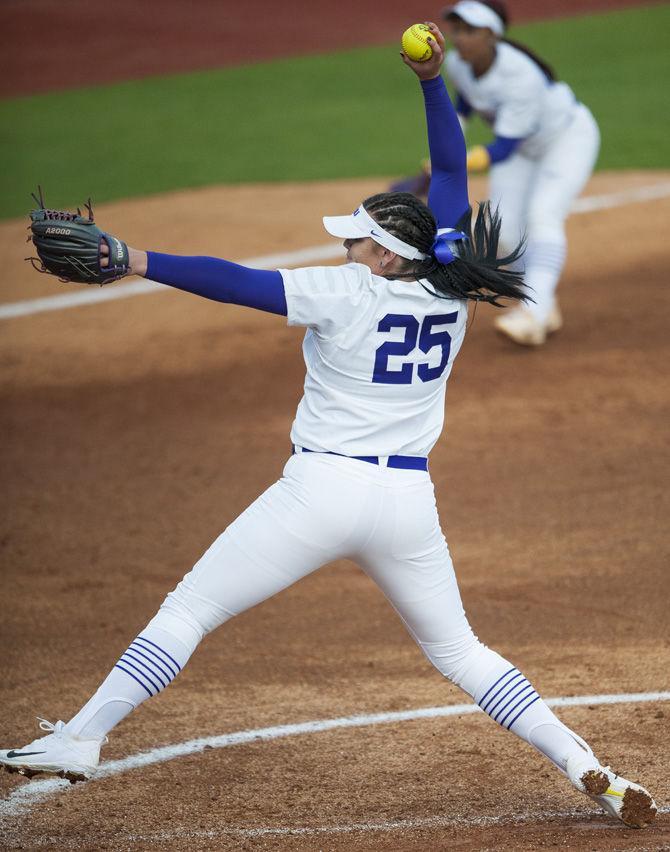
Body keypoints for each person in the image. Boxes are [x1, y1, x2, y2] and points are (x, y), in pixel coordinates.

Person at [1, 25, 655, 830]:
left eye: (355, 238)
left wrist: (138, 260)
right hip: (408, 504)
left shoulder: (344, 293)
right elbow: (450, 170)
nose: (344, 244)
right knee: (462, 655)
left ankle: (81, 738)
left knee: (189, 609)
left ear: (382, 256)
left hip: (321, 490)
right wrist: (430, 81)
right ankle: (587, 763)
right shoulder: (446, 290)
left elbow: (236, 283)